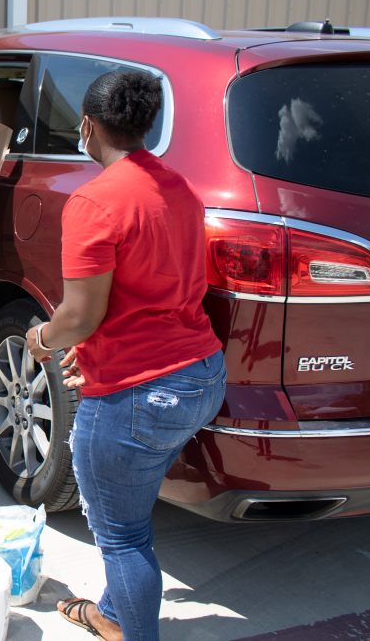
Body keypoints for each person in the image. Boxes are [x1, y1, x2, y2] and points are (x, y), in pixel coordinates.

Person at [25, 70, 226, 641]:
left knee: (122, 536)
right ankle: (113, 613)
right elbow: (149, 290)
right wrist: (89, 350)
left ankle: (129, 630)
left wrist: (43, 340)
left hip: (140, 394)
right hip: (202, 378)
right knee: (128, 513)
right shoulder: (180, 189)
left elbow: (80, 315)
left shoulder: (94, 202)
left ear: (87, 127)